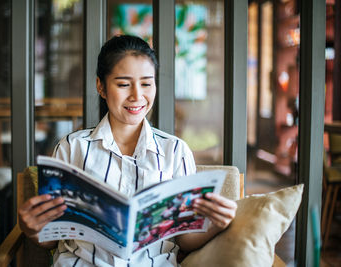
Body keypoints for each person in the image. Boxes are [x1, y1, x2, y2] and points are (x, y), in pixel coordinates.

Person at [18, 35, 237, 267]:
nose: (136, 96)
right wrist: (31, 229)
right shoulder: (73, 148)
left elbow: (184, 240)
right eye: (123, 84)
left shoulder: (175, 151)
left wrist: (217, 223)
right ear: (101, 86)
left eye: (146, 83)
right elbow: (53, 239)